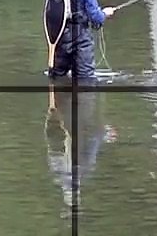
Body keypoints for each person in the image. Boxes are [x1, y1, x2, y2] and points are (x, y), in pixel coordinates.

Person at [45, 86, 117, 218]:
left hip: (69, 115)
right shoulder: (77, 170)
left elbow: (52, 140)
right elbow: (52, 140)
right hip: (71, 115)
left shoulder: (63, 170)